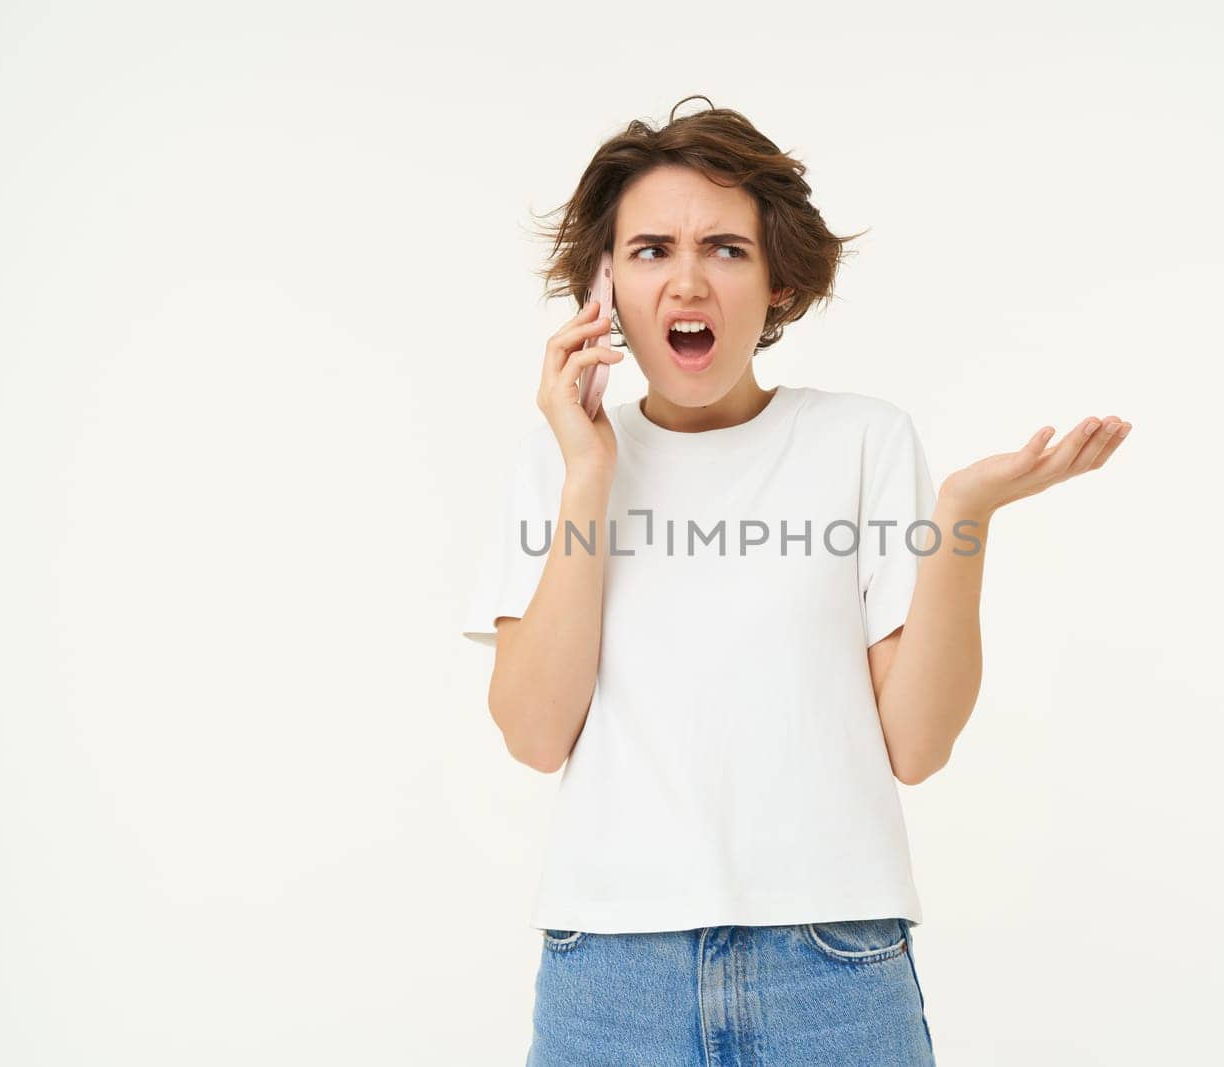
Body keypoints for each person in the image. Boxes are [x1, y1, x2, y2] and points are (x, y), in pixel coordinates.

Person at [461, 96, 1131, 1066]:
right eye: (650, 249)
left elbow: (918, 741)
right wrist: (591, 473)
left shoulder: (859, 440)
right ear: (602, 288)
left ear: (777, 281)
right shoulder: (561, 461)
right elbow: (531, 731)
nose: (688, 279)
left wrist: (962, 516)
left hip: (834, 967)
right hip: (610, 973)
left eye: (726, 249)